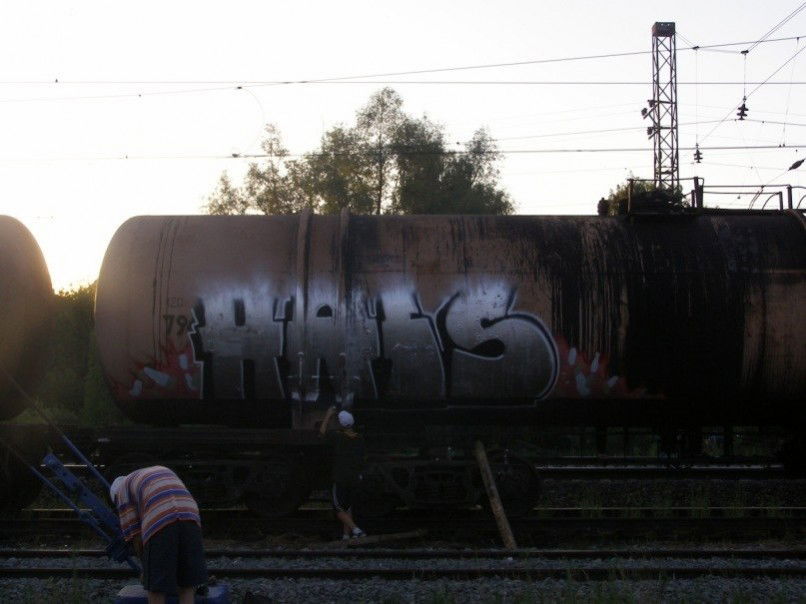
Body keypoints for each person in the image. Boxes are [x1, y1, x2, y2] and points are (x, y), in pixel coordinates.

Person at [110, 466, 207, 604]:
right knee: (187, 585)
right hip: (190, 515)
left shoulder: (121, 492)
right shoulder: (152, 473)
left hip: (160, 518)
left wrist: (147, 569)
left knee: (156, 588)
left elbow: (136, 536)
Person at [319, 405, 367, 539]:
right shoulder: (360, 438)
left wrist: (328, 415)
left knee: (338, 509)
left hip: (340, 478)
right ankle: (346, 535)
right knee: (348, 507)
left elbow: (322, 433)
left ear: (341, 424)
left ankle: (356, 530)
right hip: (355, 478)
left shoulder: (338, 437)